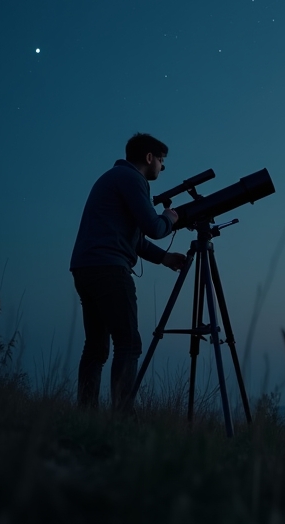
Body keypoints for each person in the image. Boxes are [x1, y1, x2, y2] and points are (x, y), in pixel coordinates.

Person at [70, 132, 188, 412]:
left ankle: (86, 414)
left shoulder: (113, 178)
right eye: (161, 160)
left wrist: (164, 258)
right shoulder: (132, 179)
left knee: (96, 348)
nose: (163, 166)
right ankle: (123, 416)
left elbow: (134, 239)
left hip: (85, 268)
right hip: (109, 269)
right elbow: (154, 228)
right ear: (149, 158)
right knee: (128, 343)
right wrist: (170, 218)